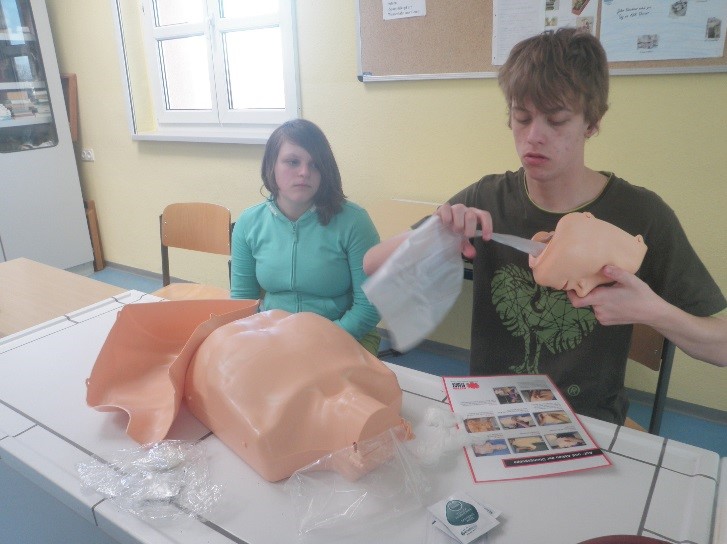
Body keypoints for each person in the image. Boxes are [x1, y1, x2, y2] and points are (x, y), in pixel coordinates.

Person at [364, 28, 727, 425]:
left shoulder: (641, 214)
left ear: (592, 123)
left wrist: (654, 312)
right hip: (492, 410)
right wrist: (437, 234)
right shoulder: (488, 198)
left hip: (586, 420)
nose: (534, 137)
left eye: (556, 120)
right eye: (522, 117)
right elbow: (372, 264)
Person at [231, 119, 381, 354]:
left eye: (315, 164)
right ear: (271, 165)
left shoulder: (354, 221)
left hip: (344, 336)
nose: (304, 172)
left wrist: (315, 344)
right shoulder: (248, 222)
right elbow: (242, 302)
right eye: (293, 162)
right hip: (274, 336)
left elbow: (369, 307)